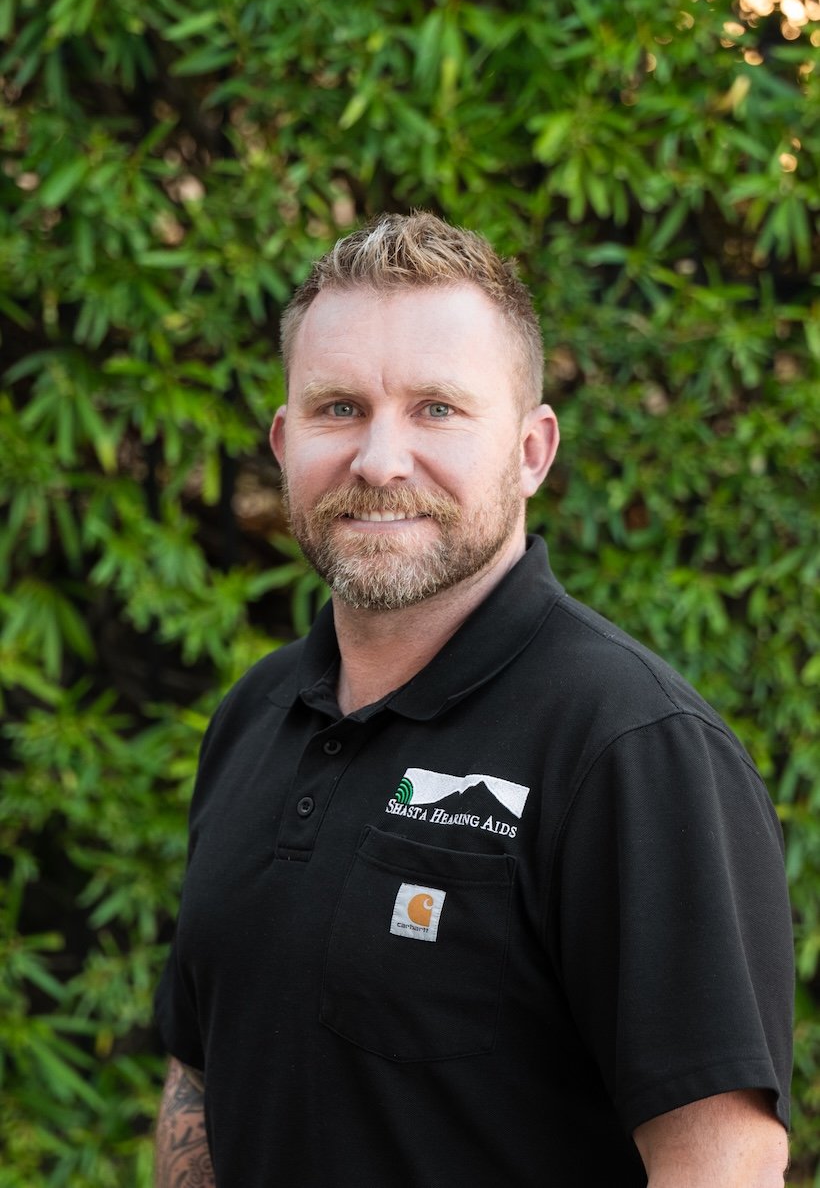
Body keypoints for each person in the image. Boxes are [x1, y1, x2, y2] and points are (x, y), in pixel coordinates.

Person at [154, 212, 793, 1187]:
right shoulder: (257, 714)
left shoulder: (627, 745)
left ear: (532, 450)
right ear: (284, 441)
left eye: (436, 410)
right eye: (338, 409)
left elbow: (723, 1160)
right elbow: (200, 1075)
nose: (377, 460)